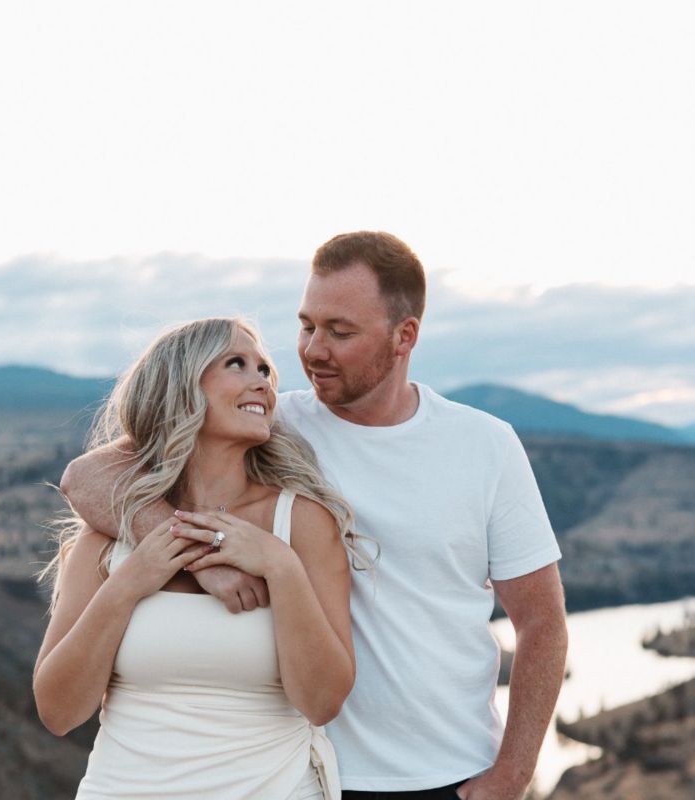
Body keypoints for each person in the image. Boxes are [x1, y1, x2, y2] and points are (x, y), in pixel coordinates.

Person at [62, 232, 568, 800]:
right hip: (305, 775)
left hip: (451, 773)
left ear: (405, 336)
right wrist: (202, 560)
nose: (312, 350)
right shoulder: (268, 425)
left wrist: (513, 773)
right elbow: (85, 477)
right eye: (307, 326)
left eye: (340, 332)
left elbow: (542, 622)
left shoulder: (484, 446)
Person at [35, 317, 365, 799]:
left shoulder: (300, 522)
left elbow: (323, 702)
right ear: (181, 388)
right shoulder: (109, 534)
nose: (262, 382)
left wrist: (280, 566)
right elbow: (58, 712)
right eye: (237, 364)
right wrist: (130, 582)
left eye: (264, 370)